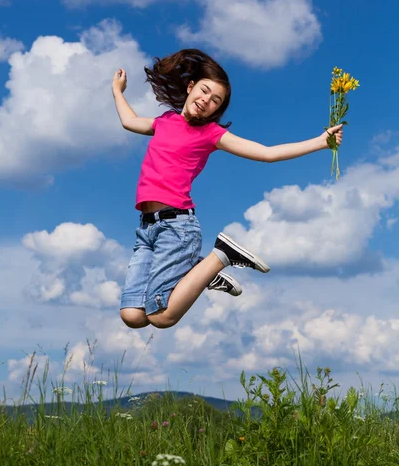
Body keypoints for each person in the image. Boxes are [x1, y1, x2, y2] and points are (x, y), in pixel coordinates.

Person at [112, 49, 343, 330]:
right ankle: (200, 270)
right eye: (204, 91)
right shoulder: (163, 122)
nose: (206, 101)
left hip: (177, 227)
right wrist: (117, 90)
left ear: (216, 110)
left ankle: (222, 255)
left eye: (215, 101)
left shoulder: (211, 134)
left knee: (161, 317)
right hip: (146, 229)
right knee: (133, 315)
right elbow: (128, 121)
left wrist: (320, 142)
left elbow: (266, 153)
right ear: (190, 87)